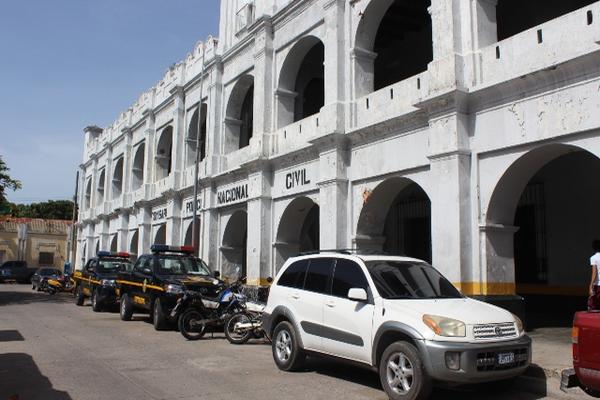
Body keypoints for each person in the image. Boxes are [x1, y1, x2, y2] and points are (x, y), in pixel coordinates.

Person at [589, 240, 600, 311]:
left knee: (594, 306)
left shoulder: (593, 258)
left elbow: (594, 272)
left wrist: (591, 285)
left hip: (598, 285)